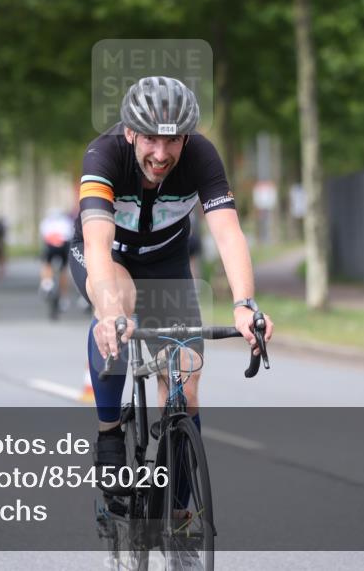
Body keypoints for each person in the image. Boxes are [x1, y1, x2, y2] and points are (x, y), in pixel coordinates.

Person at [69, 76, 274, 483]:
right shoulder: (103, 156)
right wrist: (109, 312)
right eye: (149, 139)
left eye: (173, 141)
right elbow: (96, 241)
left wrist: (244, 304)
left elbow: (228, 233)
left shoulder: (201, 156)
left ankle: (180, 512)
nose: (161, 154)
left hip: (167, 264)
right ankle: (109, 433)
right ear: (129, 132)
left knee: (186, 382)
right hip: (109, 258)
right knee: (118, 303)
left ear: (186, 137)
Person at [39, 208, 75, 302]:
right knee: (63, 270)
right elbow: (70, 235)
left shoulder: (46, 221)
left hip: (51, 247)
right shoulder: (66, 222)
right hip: (64, 247)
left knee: (47, 264)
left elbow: (45, 236)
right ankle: (64, 296)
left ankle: (47, 283)